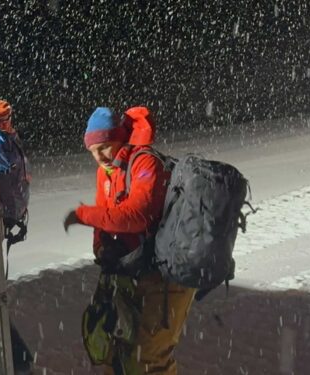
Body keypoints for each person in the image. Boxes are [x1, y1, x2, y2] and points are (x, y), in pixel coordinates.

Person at [63, 107, 196, 375]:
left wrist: (83, 214)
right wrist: (101, 246)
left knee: (150, 358)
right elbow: (106, 212)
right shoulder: (107, 171)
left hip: (164, 275)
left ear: (119, 138)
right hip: (131, 270)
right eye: (92, 151)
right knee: (115, 349)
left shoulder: (145, 162)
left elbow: (138, 215)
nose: (99, 156)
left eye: (104, 147)